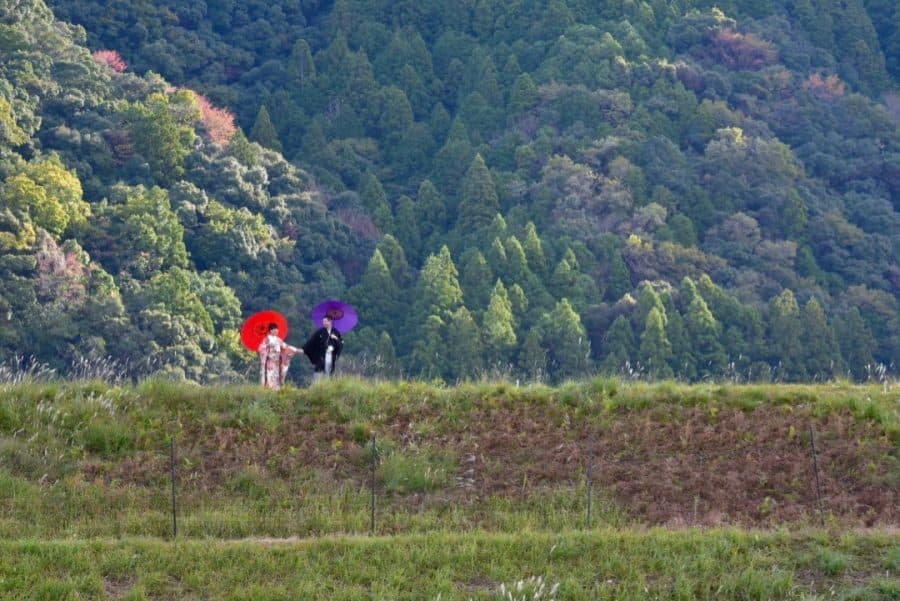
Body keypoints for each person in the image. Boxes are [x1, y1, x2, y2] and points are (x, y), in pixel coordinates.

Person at [299, 313, 343, 382]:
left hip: (331, 356)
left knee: (329, 373)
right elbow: (311, 341)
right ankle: (316, 387)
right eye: (323, 322)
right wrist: (303, 349)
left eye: (326, 321)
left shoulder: (336, 332)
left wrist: (336, 339)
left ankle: (328, 388)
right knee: (318, 372)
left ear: (330, 321)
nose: (324, 323)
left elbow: (340, 343)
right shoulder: (320, 332)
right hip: (322, 356)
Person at [258, 323, 300, 390]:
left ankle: (276, 391)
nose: (276, 331)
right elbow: (261, 348)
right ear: (270, 330)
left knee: (277, 378)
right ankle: (268, 390)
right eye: (274, 330)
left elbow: (286, 347)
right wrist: (267, 346)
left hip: (277, 362)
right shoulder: (267, 339)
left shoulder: (278, 340)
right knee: (269, 376)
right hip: (269, 361)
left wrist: (296, 350)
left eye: (277, 330)